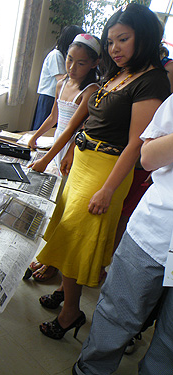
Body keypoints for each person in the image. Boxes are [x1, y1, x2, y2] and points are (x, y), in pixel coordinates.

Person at [35, 3, 170, 340]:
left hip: (106, 170)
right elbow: (91, 119)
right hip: (83, 161)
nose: (115, 49)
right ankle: (68, 294)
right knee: (67, 234)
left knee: (79, 239)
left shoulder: (152, 82)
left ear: (145, 36)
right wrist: (70, 151)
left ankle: (70, 313)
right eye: (110, 42)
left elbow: (135, 144)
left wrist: (108, 189)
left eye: (122, 40)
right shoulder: (120, 72)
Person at [72, 90, 173, 375]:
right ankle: (90, 370)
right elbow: (148, 157)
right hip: (154, 231)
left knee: (170, 339)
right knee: (117, 313)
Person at [24, 33, 101, 282]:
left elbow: (74, 129)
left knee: (63, 206)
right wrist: (34, 136)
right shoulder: (61, 84)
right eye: (69, 59)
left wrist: (49, 158)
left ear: (93, 64)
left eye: (80, 63)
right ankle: (49, 256)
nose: (72, 67)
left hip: (74, 152)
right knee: (54, 204)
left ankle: (52, 262)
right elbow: (54, 118)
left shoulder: (91, 91)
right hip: (58, 148)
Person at [31, 25, 85, 131]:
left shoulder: (64, 56)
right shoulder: (56, 55)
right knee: (43, 127)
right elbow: (61, 79)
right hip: (49, 97)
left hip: (57, 97)